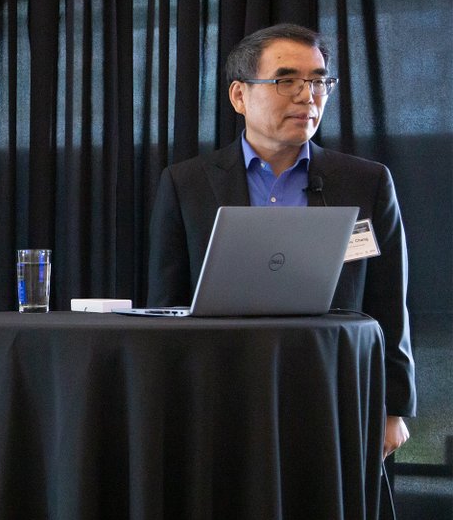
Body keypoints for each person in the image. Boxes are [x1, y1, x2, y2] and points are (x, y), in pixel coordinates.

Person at [147, 23, 415, 458]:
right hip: (220, 397)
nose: (307, 96)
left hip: (336, 394)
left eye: (318, 80)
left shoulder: (365, 182)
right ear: (239, 96)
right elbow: (166, 302)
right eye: (286, 80)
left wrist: (394, 408)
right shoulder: (187, 183)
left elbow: (390, 300)